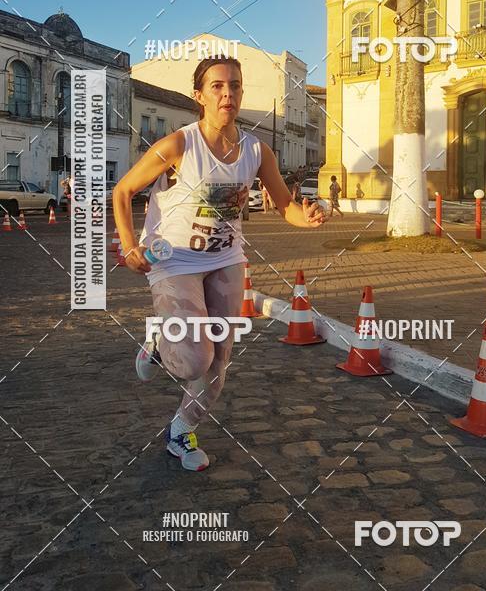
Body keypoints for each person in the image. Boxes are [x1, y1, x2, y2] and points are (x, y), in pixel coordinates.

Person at [112, 56, 327, 472]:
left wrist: (309, 215)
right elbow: (122, 192)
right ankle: (160, 341)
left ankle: (182, 429)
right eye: (217, 86)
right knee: (195, 359)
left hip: (227, 259)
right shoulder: (178, 145)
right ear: (200, 95)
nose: (228, 93)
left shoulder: (256, 150)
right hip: (173, 261)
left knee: (219, 360)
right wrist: (128, 246)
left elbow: (286, 207)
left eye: (235, 85)